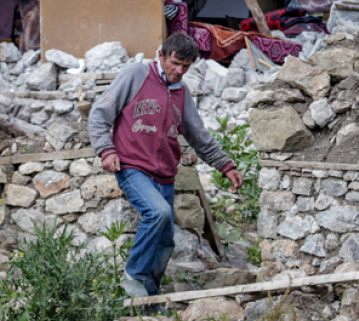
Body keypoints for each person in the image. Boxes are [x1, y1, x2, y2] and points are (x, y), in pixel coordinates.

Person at [88, 32, 243, 299]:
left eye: (185, 66)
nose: (179, 70)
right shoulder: (135, 75)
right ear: (161, 55)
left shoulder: (182, 92)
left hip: (165, 175)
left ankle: (149, 299)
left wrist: (225, 165)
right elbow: (99, 114)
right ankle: (133, 278)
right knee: (157, 213)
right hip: (132, 167)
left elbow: (198, 135)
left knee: (164, 242)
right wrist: (106, 149)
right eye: (175, 63)